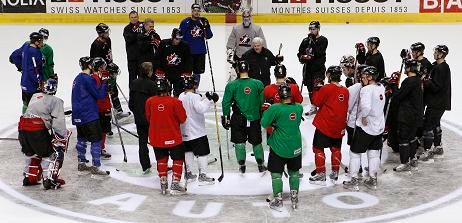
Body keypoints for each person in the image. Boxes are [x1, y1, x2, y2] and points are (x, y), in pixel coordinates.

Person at [19, 77, 71, 189]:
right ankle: (49, 179)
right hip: (36, 130)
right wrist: (62, 137)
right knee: (51, 153)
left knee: (33, 153)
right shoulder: (56, 101)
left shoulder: (34, 96)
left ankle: (29, 178)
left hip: (22, 128)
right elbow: (59, 122)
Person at [261, 83, 304, 211]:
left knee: (276, 175)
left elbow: (264, 123)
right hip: (295, 146)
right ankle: (294, 199)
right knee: (294, 173)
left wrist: (268, 111)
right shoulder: (299, 108)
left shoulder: (275, 108)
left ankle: (278, 200)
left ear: (279, 95)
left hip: (279, 147)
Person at [343, 66, 385, 191]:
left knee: (354, 153)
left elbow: (365, 107)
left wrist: (363, 116)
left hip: (366, 127)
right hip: (378, 127)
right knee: (373, 153)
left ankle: (354, 180)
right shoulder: (381, 87)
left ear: (370, 77)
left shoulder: (366, 89)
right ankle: (373, 179)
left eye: (364, 76)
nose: (362, 78)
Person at [221, 61, 265, 174]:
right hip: (254, 118)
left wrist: (226, 118)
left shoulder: (231, 85)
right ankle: (261, 164)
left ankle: (242, 166)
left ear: (237, 70)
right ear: (248, 69)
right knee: (256, 142)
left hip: (238, 118)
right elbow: (261, 102)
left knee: (239, 142)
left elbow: (226, 103)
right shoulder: (258, 84)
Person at [145, 77, 188, 195]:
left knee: (161, 159)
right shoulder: (175, 101)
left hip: (156, 137)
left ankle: (163, 183)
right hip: (173, 136)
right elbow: (183, 119)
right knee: (178, 159)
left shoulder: (149, 101)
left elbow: (148, 117)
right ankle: (175, 183)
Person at [308, 66, 349, 185]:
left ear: (329, 75)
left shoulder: (326, 88)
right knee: (336, 149)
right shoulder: (345, 91)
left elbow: (316, 102)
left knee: (318, 148)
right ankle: (335, 173)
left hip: (325, 125)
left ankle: (321, 174)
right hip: (339, 126)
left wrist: (316, 89)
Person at [71, 57, 110, 176]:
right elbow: (100, 95)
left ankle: (81, 162)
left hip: (78, 115)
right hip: (89, 115)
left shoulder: (77, 78)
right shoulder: (88, 79)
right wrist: (104, 82)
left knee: (81, 139)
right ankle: (96, 166)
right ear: (88, 66)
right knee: (96, 140)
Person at [179, 75, 219, 185]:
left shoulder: (181, 95)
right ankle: (203, 175)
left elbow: (194, 100)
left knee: (188, 152)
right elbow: (200, 108)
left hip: (184, 131)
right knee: (202, 153)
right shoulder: (194, 97)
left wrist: (205, 97)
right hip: (197, 132)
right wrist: (209, 100)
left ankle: (189, 173)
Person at [387, 59, 424, 172]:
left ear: (408, 68)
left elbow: (398, 96)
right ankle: (413, 159)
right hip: (416, 115)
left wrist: (393, 86)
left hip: (406, 115)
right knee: (412, 138)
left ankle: (404, 163)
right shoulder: (417, 80)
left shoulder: (408, 81)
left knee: (403, 138)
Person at [90, 23, 130, 119]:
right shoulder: (96, 45)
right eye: (106, 32)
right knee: (104, 92)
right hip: (102, 72)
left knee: (113, 90)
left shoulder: (108, 40)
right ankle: (104, 113)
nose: (108, 33)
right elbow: (95, 62)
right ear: (100, 33)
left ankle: (118, 110)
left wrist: (111, 67)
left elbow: (109, 56)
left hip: (109, 70)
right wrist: (102, 73)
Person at [419, 45, 451, 161]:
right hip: (439, 103)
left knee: (428, 126)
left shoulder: (441, 68)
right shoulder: (438, 66)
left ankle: (427, 151)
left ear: (441, 54)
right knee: (436, 124)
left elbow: (437, 87)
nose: (434, 53)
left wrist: (426, 81)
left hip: (436, 103)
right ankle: (438, 146)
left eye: (436, 52)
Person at [129, 62, 157, 174]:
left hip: (139, 118)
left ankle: (145, 165)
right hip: (150, 119)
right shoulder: (152, 85)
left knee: (142, 142)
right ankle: (161, 164)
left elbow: (131, 103)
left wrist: (136, 113)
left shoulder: (134, 83)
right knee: (156, 142)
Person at [297, 21, 328, 116]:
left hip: (318, 69)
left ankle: (322, 107)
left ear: (318, 29)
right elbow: (300, 52)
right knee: (310, 88)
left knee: (318, 88)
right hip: (308, 68)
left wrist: (313, 41)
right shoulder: (305, 40)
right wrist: (302, 58)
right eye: (310, 29)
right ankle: (313, 106)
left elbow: (319, 52)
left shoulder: (323, 40)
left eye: (314, 29)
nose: (312, 31)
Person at [226, 8, 266, 81]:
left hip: (253, 58)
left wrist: (263, 56)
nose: (246, 18)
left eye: (247, 16)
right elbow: (231, 43)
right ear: (242, 17)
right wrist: (230, 54)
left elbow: (262, 44)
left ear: (250, 17)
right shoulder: (236, 28)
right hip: (239, 58)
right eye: (244, 17)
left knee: (253, 78)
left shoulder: (257, 29)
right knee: (236, 79)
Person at [263, 64, 303, 136]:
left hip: (273, 125)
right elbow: (299, 101)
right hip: (290, 122)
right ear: (285, 74)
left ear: (275, 74)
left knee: (274, 145)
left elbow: (265, 106)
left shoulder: (267, 89)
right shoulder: (293, 87)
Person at [10, 32, 44, 114]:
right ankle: (32, 123)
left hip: (24, 82)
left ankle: (24, 119)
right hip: (32, 85)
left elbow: (13, 57)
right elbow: (35, 71)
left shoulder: (26, 46)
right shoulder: (36, 52)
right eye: (41, 41)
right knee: (35, 106)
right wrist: (40, 81)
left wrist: (21, 67)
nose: (42, 43)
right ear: (36, 42)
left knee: (25, 103)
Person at [179, 3, 213, 86]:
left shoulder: (203, 21)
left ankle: (195, 87)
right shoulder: (185, 22)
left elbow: (209, 36)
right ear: (191, 11)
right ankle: (186, 87)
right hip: (188, 52)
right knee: (187, 72)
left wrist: (206, 26)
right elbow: (180, 36)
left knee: (197, 72)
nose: (196, 12)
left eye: (198, 11)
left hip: (200, 51)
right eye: (194, 11)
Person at [157, 28, 193, 97]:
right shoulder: (164, 44)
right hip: (166, 73)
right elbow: (158, 57)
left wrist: (188, 71)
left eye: (180, 39)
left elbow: (189, 60)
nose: (178, 41)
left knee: (179, 94)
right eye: (176, 39)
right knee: (166, 94)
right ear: (172, 37)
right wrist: (159, 69)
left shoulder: (185, 45)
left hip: (179, 74)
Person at [90, 57, 113, 160]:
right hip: (101, 108)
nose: (105, 68)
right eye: (103, 66)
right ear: (99, 67)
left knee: (102, 130)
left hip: (102, 107)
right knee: (101, 130)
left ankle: (99, 148)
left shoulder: (97, 77)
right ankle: (99, 149)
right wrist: (105, 84)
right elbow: (100, 93)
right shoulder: (95, 78)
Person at [123, 11, 143, 88]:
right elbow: (129, 39)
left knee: (143, 79)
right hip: (132, 59)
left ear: (138, 17)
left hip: (142, 58)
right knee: (132, 79)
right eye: (132, 17)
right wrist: (137, 33)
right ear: (129, 18)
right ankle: (133, 97)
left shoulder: (143, 25)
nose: (134, 19)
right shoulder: (127, 29)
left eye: (135, 17)